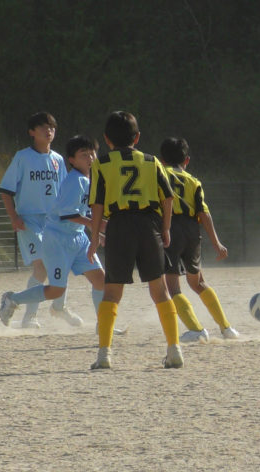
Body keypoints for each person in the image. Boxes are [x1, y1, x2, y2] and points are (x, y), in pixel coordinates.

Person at [87, 111, 182, 369]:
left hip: (119, 225)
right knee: (160, 290)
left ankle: (104, 354)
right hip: (149, 224)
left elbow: (97, 205)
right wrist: (166, 228)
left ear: (107, 139)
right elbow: (168, 197)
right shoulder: (152, 161)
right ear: (137, 137)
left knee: (112, 292)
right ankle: (174, 349)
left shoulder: (101, 164)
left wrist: (94, 238)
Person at [0, 135, 108, 331]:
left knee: (101, 280)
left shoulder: (91, 180)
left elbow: (85, 212)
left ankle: (104, 325)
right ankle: (12, 299)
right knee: (56, 289)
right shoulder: (75, 181)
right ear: (72, 160)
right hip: (58, 240)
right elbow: (68, 214)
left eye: (92, 154)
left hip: (78, 238)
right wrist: (97, 225)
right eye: (84, 155)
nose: (90, 158)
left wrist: (96, 231)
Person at [0, 111, 80, 328]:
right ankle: (30, 316)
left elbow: (65, 193)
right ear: (32, 132)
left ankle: (59, 307)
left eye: (52, 127)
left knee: (60, 263)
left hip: (54, 221)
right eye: (43, 127)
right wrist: (14, 217)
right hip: (30, 220)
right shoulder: (23, 157)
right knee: (42, 267)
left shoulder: (58, 159)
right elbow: (6, 190)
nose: (49, 130)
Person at [157, 137, 239, 343]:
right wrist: (217, 243)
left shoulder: (159, 174)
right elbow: (204, 213)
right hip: (192, 230)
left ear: (162, 160)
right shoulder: (194, 181)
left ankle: (196, 330)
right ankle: (226, 328)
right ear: (186, 161)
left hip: (170, 227)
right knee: (198, 282)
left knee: (172, 287)